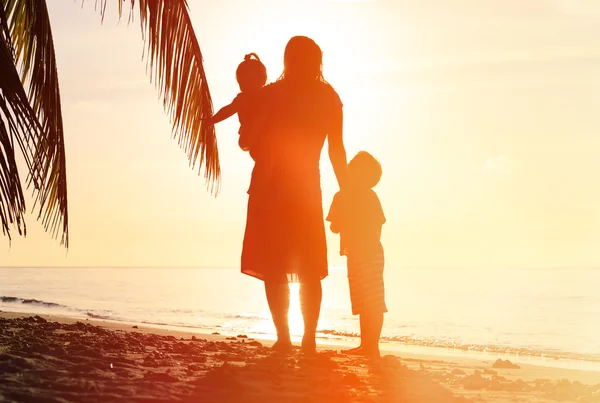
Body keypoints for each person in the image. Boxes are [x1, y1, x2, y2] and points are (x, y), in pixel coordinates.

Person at [240, 36, 347, 354]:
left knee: (284, 268)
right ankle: (301, 340)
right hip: (297, 189)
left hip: (279, 188)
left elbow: (248, 143)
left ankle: (290, 339)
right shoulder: (325, 97)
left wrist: (348, 191)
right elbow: (336, 151)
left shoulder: (273, 94)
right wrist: (347, 189)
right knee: (306, 268)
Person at [326, 151, 387, 358]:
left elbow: (336, 226)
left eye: (353, 167)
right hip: (359, 253)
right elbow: (335, 226)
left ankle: (372, 346)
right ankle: (367, 345)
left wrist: (347, 218)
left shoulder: (362, 196)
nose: (349, 168)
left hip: (368, 253)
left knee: (373, 300)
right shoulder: (344, 195)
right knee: (364, 300)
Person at [205, 53, 267, 151]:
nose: (245, 86)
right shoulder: (242, 99)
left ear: (262, 80)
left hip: (265, 136)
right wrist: (212, 120)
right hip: (249, 137)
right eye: (242, 83)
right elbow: (227, 111)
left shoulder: (267, 94)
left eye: (249, 81)